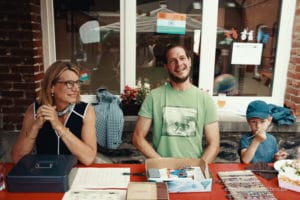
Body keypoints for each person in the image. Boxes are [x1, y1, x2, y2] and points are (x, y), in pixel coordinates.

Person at [132, 44, 220, 163]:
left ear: (189, 62)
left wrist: (199, 168)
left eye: (182, 58)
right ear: (166, 67)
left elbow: (214, 144)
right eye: (173, 61)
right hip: (163, 170)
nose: (179, 64)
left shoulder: (204, 99)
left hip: (193, 170)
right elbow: (138, 138)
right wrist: (162, 162)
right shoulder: (154, 96)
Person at [11, 61, 97, 166]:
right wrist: (35, 127)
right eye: (69, 83)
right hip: (45, 172)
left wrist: (58, 126)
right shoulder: (34, 110)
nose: (76, 89)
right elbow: (17, 158)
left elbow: (89, 158)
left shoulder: (86, 111)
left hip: (76, 172)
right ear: (52, 86)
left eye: (77, 82)